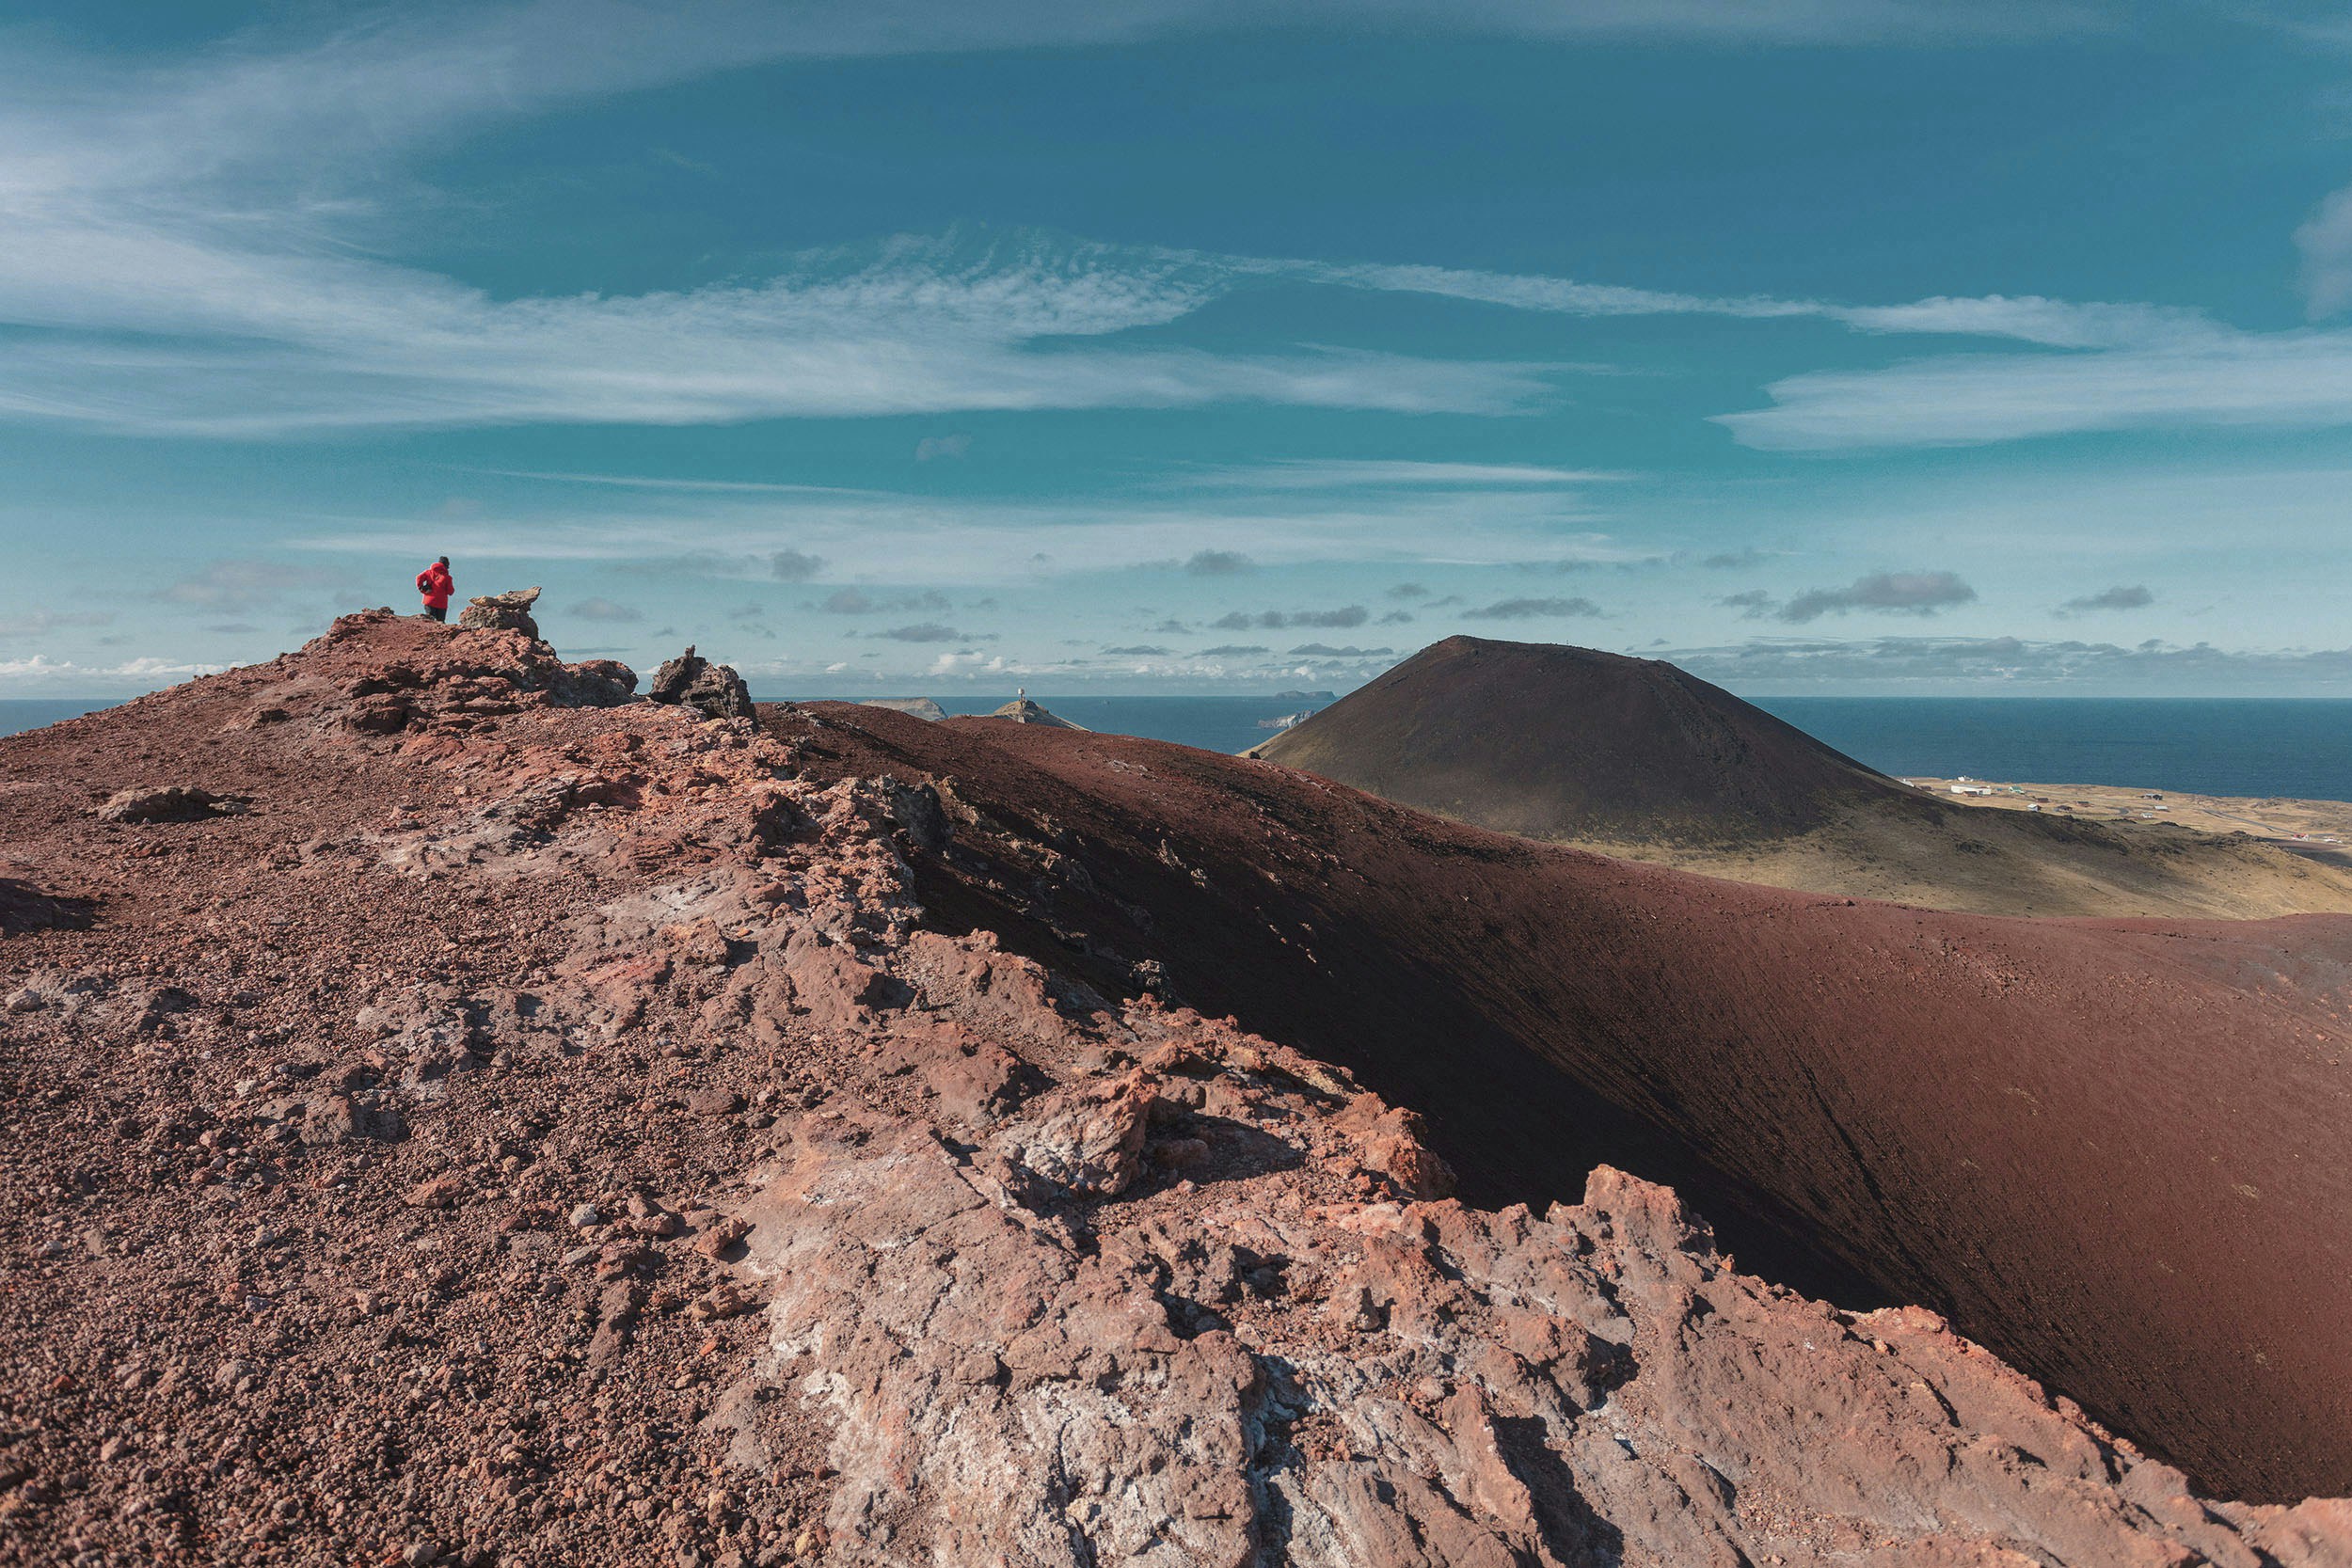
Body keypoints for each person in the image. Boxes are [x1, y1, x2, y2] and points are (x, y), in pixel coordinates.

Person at [415, 556, 453, 622]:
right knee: (440, 623)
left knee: (430, 621)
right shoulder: (447, 577)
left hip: (429, 600)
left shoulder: (429, 572)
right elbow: (450, 592)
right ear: (447, 565)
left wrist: (421, 587)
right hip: (442, 603)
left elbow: (418, 577)